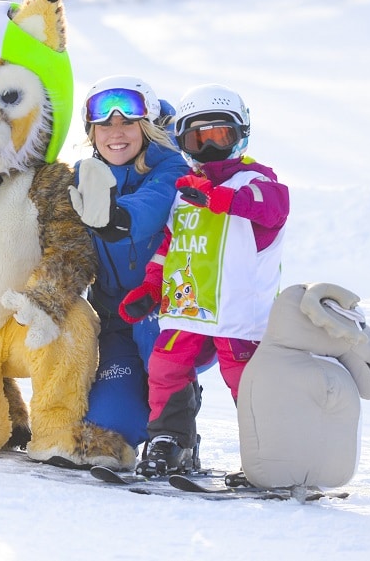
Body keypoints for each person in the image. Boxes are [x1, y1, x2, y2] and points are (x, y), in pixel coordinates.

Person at [119, 83, 289, 477]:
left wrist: (219, 198)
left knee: (246, 382)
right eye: (198, 139)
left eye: (219, 136)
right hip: (187, 309)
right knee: (164, 367)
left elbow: (273, 209)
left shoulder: (256, 181)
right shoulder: (185, 193)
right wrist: (149, 288)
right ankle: (170, 441)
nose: (209, 148)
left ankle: (272, 455)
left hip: (239, 314)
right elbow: (170, 247)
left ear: (240, 133)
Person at [67, 75, 189, 455]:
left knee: (159, 358)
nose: (115, 133)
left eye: (127, 122)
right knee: (111, 426)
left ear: (147, 125)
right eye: (104, 124)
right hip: (114, 319)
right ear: (92, 132)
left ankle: (178, 437)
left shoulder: (171, 168)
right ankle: (138, 416)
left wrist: (115, 218)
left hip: (164, 313)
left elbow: (150, 208)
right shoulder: (83, 175)